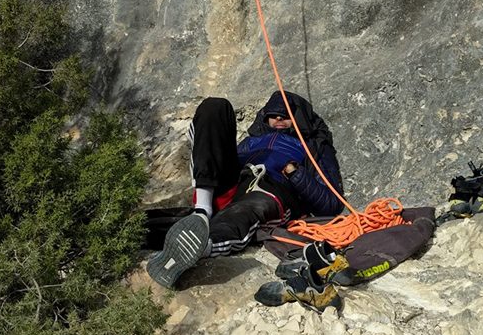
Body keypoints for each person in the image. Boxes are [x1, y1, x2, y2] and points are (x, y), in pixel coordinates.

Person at [146, 90, 344, 290]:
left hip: (271, 189)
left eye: (285, 116)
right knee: (216, 107)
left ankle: (204, 245)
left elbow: (331, 204)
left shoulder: (313, 147)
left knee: (242, 213)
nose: (277, 119)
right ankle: (201, 211)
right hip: (235, 182)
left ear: (298, 118)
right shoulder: (250, 141)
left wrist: (295, 174)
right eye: (272, 115)